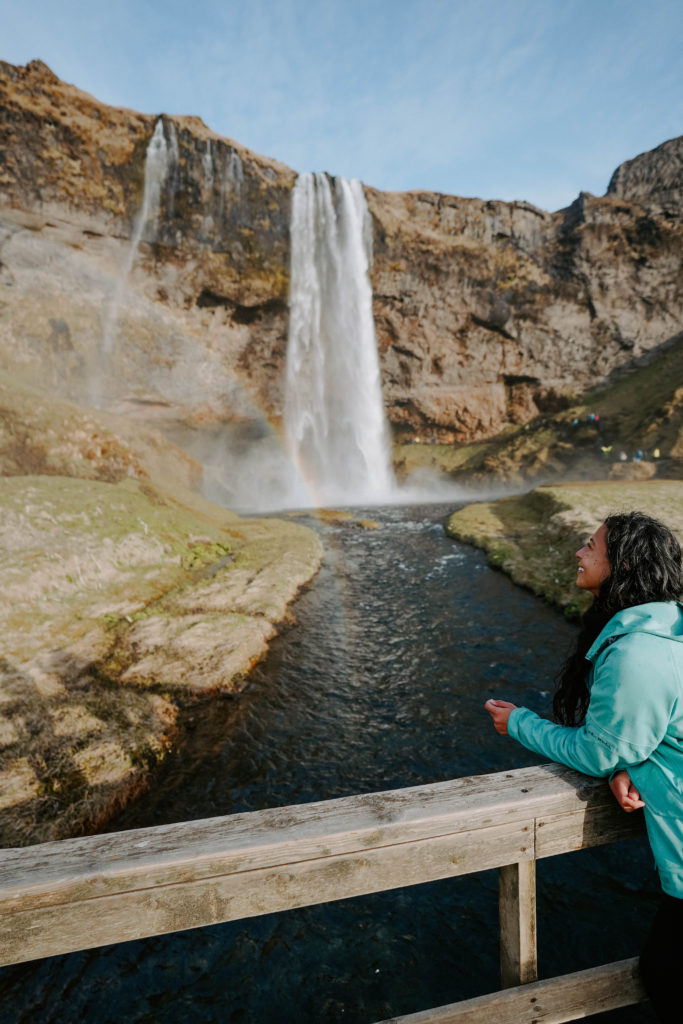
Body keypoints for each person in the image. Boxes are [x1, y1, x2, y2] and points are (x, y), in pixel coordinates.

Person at [485, 511, 683, 1023]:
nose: (579, 552)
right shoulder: (668, 628)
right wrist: (632, 764)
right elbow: (649, 734)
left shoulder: (638, 651)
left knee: (663, 971)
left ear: (623, 565)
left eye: (591, 546)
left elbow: (599, 752)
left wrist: (520, 724)